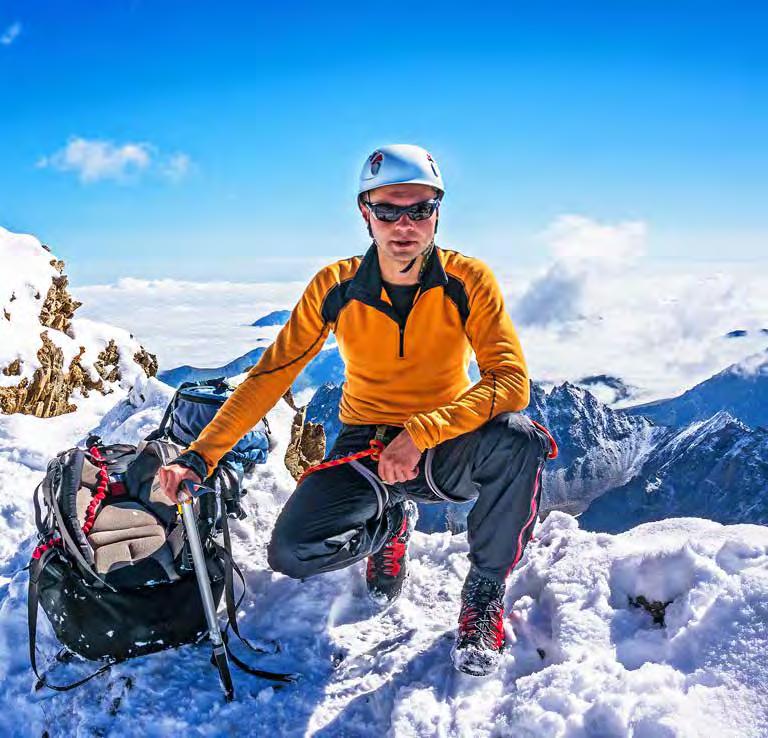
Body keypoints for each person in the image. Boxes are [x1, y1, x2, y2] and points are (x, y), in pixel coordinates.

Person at [158, 144, 554, 677]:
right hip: (364, 444)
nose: (404, 224)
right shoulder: (335, 287)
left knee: (520, 439)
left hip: (442, 442)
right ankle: (389, 525)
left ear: (438, 212)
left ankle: (483, 594)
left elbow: (510, 382)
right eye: (388, 209)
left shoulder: (467, 281)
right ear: (364, 212)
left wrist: (422, 432)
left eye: (420, 209)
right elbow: (271, 376)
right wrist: (199, 457)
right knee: (292, 554)